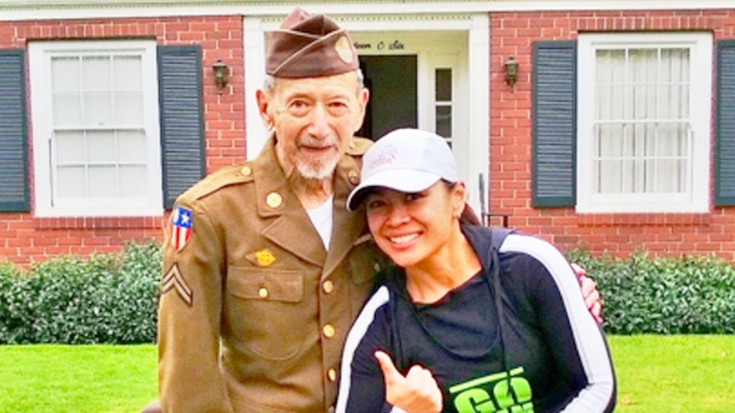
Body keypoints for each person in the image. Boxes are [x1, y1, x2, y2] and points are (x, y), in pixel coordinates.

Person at [156, 8, 603, 413]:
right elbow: (186, 375)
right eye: (299, 104)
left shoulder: (379, 180)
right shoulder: (211, 213)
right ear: (265, 107)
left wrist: (563, 284)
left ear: (360, 106)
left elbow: (467, 253)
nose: (319, 126)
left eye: (336, 104)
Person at [336, 129, 616, 413]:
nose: (396, 219)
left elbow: (598, 387)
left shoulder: (529, 266)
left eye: (413, 197)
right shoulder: (379, 322)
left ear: (457, 197)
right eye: (378, 204)